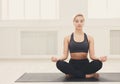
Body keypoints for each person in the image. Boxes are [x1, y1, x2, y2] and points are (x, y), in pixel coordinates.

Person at [51, 14, 107, 79]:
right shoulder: (67, 38)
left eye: (81, 21)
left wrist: (99, 58)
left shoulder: (89, 38)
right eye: (77, 21)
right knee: (59, 63)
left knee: (99, 63)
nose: (79, 23)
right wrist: (57, 59)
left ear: (84, 22)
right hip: (72, 64)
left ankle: (72, 74)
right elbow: (65, 56)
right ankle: (87, 75)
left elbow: (92, 56)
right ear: (73, 23)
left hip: (85, 64)